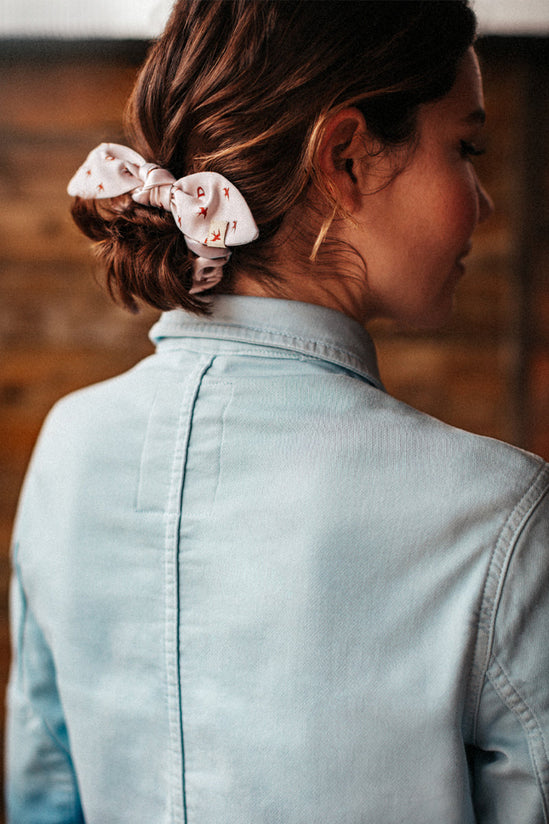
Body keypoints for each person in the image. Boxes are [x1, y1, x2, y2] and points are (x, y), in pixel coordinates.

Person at [6, 1, 549, 822]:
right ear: (346, 157)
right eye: (464, 148)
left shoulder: (69, 447)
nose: (483, 201)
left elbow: (45, 800)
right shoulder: (496, 513)